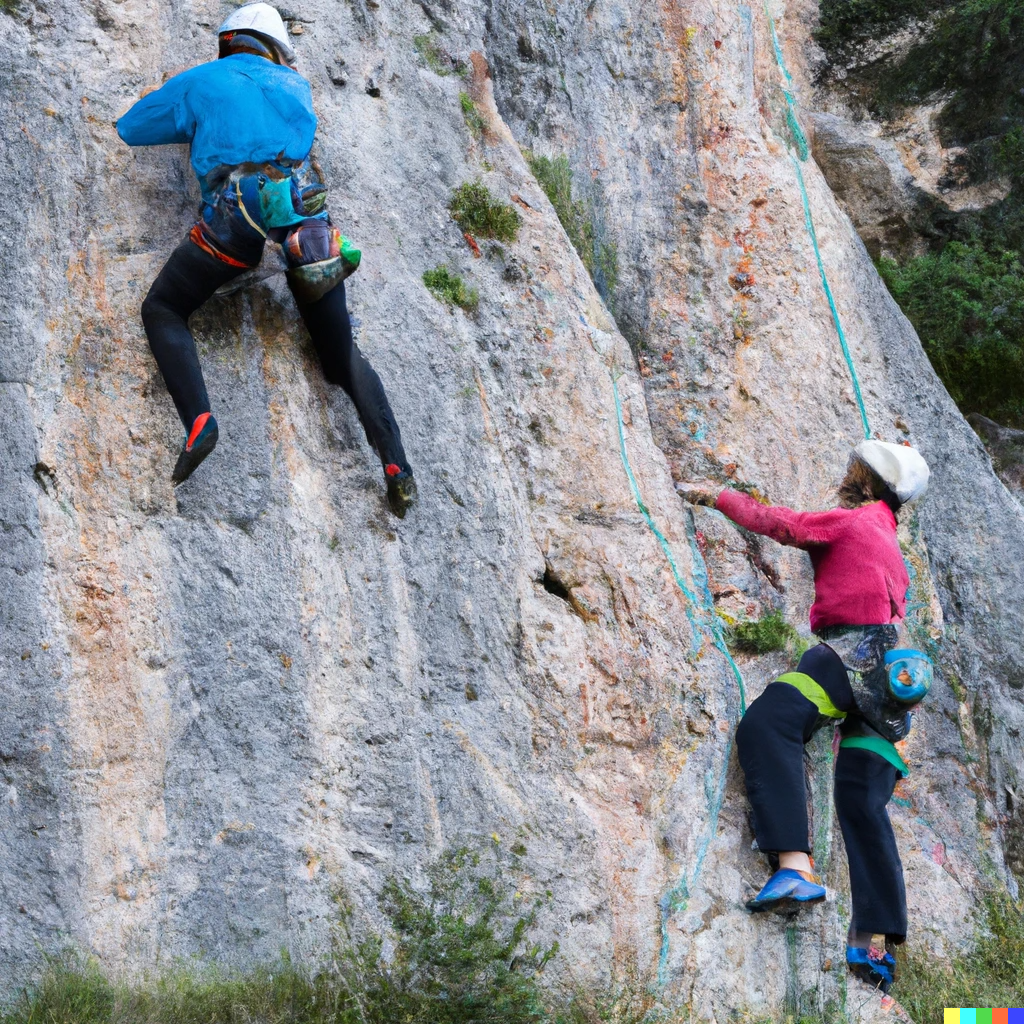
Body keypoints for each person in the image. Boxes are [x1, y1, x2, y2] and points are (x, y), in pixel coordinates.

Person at [116, 3, 417, 516]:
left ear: (230, 40)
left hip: (234, 215)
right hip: (302, 216)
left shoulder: (203, 80)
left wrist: (192, 108)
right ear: (274, 48)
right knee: (342, 356)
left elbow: (131, 127)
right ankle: (397, 467)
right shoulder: (294, 86)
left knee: (163, 310)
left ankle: (200, 422)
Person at [680, 440, 933, 994]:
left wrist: (717, 496)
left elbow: (784, 524)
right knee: (863, 805)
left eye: (853, 469)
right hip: (896, 682)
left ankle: (794, 868)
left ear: (868, 483)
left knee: (769, 722)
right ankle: (873, 945)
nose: (845, 474)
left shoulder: (855, 521)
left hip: (848, 657)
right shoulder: (891, 543)